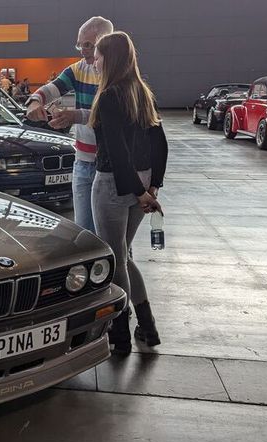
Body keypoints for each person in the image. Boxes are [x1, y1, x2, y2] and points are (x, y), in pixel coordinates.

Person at [88, 31, 168, 355]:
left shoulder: (109, 96)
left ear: (111, 59)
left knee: (115, 258)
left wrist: (139, 192)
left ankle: (119, 334)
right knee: (124, 255)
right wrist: (151, 186)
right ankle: (147, 327)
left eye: (97, 55)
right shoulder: (142, 92)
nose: (94, 60)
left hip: (113, 183)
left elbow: (117, 152)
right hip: (141, 182)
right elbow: (160, 143)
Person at [26, 16, 114, 233]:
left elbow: (114, 116)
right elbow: (51, 88)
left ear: (106, 43)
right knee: (84, 233)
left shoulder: (119, 74)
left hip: (112, 166)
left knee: (112, 238)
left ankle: (120, 268)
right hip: (83, 162)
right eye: (80, 44)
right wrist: (35, 101)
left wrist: (76, 116)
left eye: (88, 45)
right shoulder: (78, 70)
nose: (82, 50)